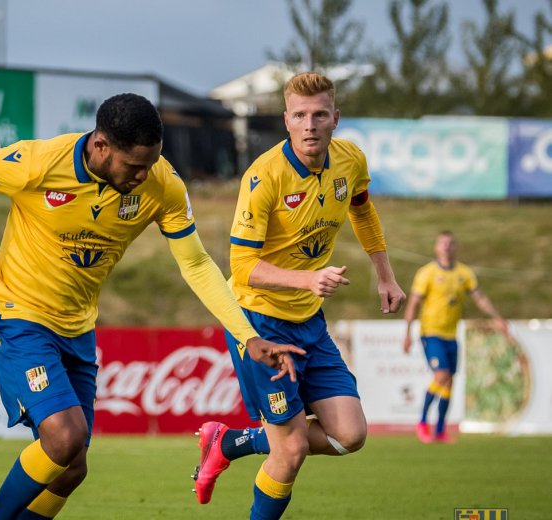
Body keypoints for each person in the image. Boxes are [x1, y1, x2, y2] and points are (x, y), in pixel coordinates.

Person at [0, 92, 305, 519]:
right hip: (16, 315)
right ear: (101, 145)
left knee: (71, 468)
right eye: (135, 165)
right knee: (64, 438)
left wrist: (248, 335)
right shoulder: (40, 163)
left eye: (151, 163)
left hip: (77, 329)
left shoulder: (162, 184)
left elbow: (197, 263)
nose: (144, 175)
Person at [190, 72, 406, 519]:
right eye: (301, 115)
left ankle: (229, 442)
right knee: (289, 451)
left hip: (308, 321)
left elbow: (363, 209)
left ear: (336, 119)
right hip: (259, 322)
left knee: (350, 435)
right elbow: (242, 267)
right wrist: (307, 280)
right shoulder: (264, 176)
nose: (310, 125)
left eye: (320, 115)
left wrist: (385, 275)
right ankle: (240, 450)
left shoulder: (350, 160)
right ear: (286, 120)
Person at [402, 230, 512, 443]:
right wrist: (407, 333)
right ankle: (422, 423)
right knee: (441, 376)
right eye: (442, 243)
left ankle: (440, 431)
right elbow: (413, 303)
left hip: (451, 335)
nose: (446, 247)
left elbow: (480, 298)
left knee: (449, 382)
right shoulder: (427, 273)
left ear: (455, 247)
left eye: (450, 243)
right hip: (431, 333)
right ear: (436, 248)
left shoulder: (464, 273)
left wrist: (498, 318)